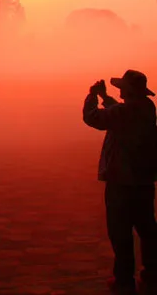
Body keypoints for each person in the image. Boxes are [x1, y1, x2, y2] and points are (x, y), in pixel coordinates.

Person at [83, 70, 157, 295]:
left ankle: (124, 280)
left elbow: (93, 117)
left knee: (120, 231)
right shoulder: (146, 109)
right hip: (143, 180)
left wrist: (92, 97)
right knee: (147, 229)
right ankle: (152, 274)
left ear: (130, 90)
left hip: (122, 181)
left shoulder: (125, 112)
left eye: (123, 87)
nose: (120, 90)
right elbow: (118, 113)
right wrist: (106, 99)